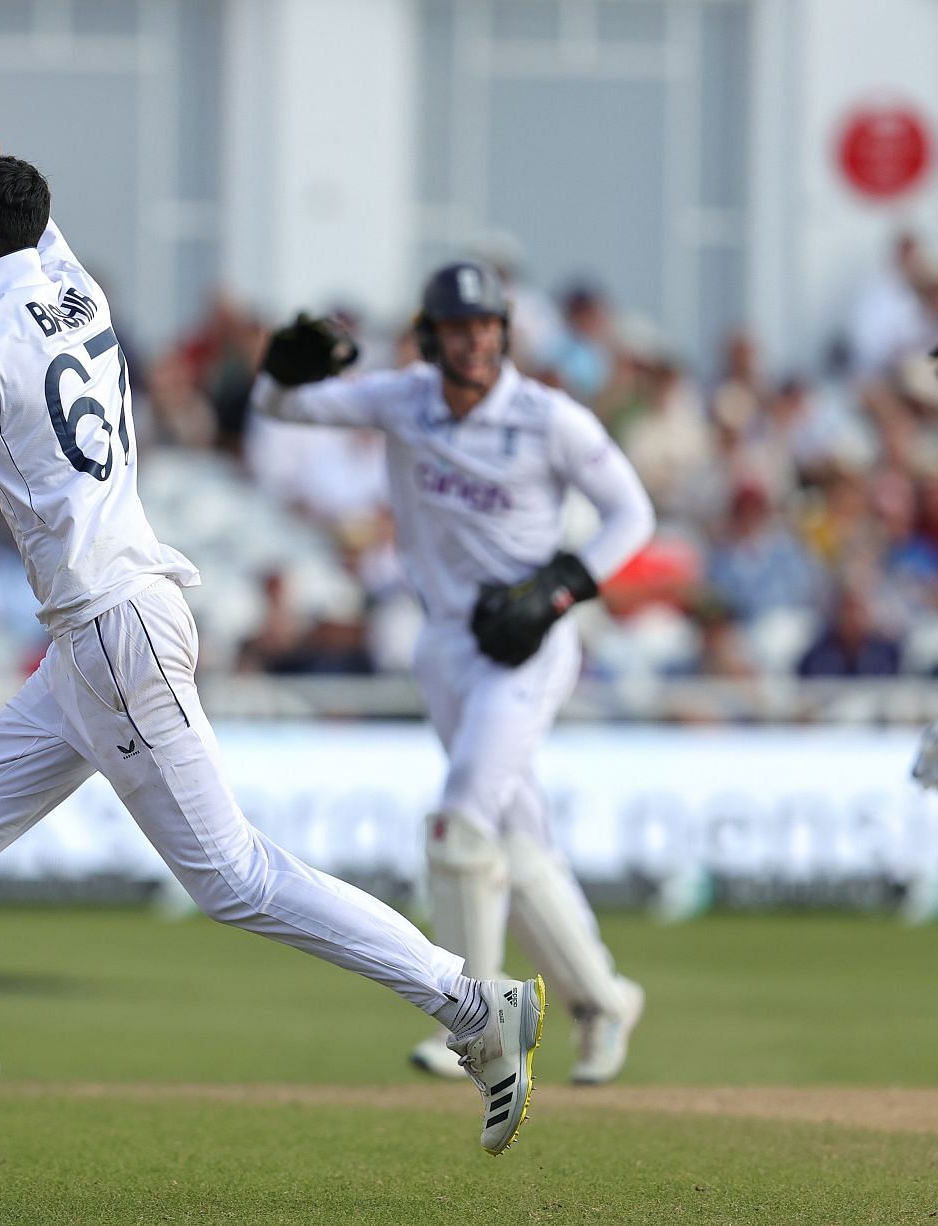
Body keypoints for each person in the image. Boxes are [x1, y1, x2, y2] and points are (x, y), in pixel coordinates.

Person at [0, 99, 539, 1175]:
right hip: (101, 632)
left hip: (110, 631)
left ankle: (471, 1001)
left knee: (232, 875)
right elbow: (35, 224)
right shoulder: (71, 284)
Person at [248, 262, 656, 1089]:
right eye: (459, 329)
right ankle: (604, 999)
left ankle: (473, 1014)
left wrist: (562, 587)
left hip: (529, 641)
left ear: (504, 332)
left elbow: (633, 513)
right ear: (431, 336)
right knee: (515, 837)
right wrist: (280, 367)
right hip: (445, 645)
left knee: (462, 821)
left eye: (488, 327)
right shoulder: (404, 398)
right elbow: (280, 408)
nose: (475, 343)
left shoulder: (548, 418)